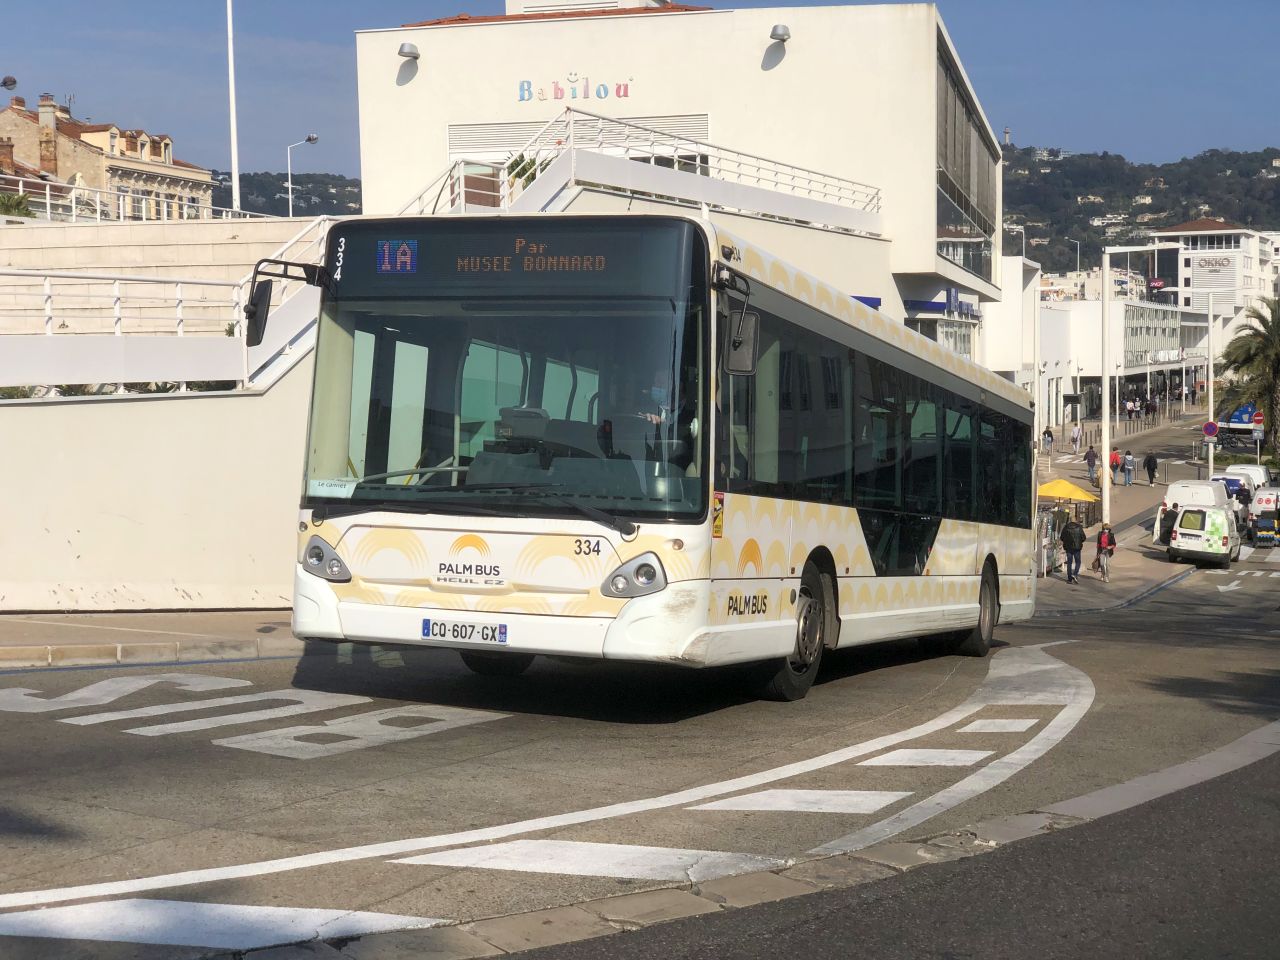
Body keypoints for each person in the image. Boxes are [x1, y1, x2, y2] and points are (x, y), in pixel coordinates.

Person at [1060, 516, 1086, 584]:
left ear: (1070, 521)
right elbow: (1084, 537)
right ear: (1076, 520)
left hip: (1068, 548)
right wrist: (1079, 541)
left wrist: (1066, 541)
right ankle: (1075, 574)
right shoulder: (1079, 527)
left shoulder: (1066, 527)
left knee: (1069, 563)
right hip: (1077, 548)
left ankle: (1069, 579)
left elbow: (1061, 537)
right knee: (1078, 562)